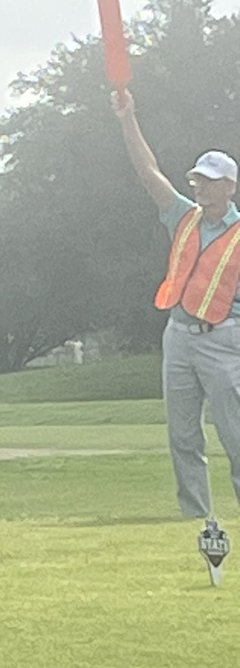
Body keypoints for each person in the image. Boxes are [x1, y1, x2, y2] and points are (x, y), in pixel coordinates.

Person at [114, 87, 240, 517]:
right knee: (183, 437)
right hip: (179, 337)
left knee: (235, 435)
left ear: (229, 187)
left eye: (208, 181)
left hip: (225, 339)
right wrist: (127, 117)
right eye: (197, 181)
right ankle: (195, 517)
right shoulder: (183, 215)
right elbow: (148, 171)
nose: (199, 187)